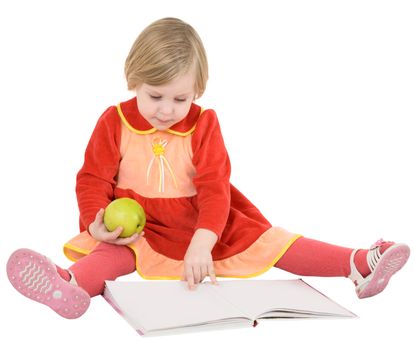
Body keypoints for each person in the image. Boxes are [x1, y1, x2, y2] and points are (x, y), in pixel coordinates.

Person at [7, 17, 410, 319]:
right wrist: (94, 220)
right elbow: (93, 178)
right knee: (113, 252)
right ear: (133, 80)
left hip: (203, 218)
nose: (166, 110)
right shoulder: (114, 120)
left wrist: (204, 239)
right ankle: (69, 284)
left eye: (180, 99)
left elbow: (216, 187)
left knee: (272, 241)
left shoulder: (204, 123)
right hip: (141, 225)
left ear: (197, 91)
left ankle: (358, 263)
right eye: (155, 95)